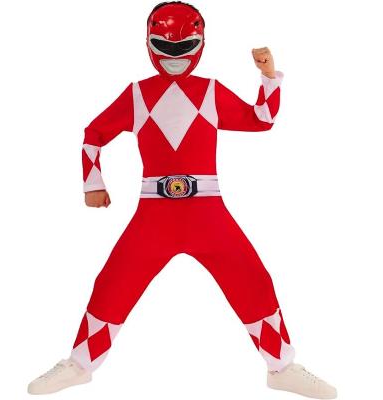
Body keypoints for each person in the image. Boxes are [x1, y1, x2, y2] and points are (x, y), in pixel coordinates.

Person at [28, 2, 337, 398]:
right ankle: (80, 365)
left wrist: (268, 76)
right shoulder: (139, 94)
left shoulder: (209, 91)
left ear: (200, 43)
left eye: (182, 47)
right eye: (166, 46)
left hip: (207, 212)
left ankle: (281, 367)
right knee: (113, 283)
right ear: (149, 43)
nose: (174, 55)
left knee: (252, 279)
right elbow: (93, 135)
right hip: (154, 215)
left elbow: (261, 119)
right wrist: (92, 184)